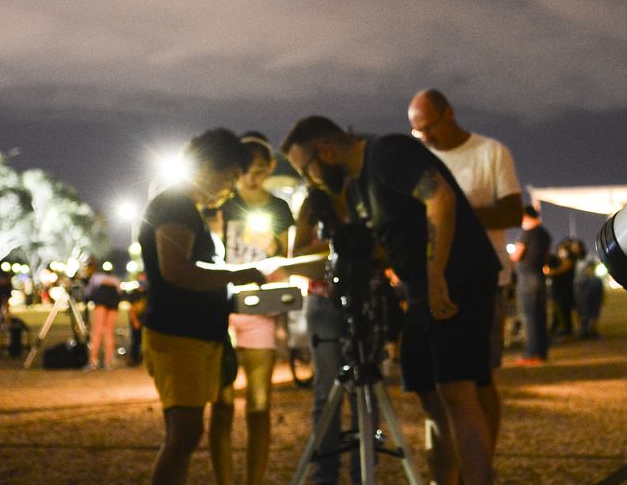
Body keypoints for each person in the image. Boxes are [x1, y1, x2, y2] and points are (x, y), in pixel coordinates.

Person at [284, 116, 500, 485]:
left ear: (326, 150)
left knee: (456, 391)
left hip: (455, 280)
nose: (310, 180)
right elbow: (376, 248)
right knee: (429, 394)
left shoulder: (387, 153)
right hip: (419, 290)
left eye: (306, 170)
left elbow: (439, 198)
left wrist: (435, 275)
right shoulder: (357, 190)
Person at [140, 129, 268, 485]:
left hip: (194, 334)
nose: (230, 188)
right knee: (183, 433)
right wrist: (236, 274)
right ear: (210, 167)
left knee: (186, 433)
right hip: (177, 334)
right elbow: (177, 269)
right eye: (229, 177)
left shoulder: (188, 208)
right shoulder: (174, 206)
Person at [408, 89, 522, 457]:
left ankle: (482, 461)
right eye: (417, 132)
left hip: (484, 281)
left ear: (449, 113)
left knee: (480, 376)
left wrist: (453, 215)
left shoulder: (491, 153)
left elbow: (511, 214)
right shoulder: (421, 160)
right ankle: (450, 465)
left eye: (429, 128)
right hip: (434, 280)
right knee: (439, 382)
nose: (426, 138)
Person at [210, 138, 291, 485]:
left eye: (259, 169)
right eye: (245, 170)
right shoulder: (222, 204)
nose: (252, 177)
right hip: (224, 309)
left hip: (261, 308)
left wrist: (271, 246)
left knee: (259, 407)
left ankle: (254, 480)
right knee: (222, 404)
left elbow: (287, 265)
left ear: (270, 167)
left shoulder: (279, 208)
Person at [292, 186, 361, 485]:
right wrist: (341, 246)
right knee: (327, 391)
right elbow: (297, 255)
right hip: (322, 299)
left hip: (360, 300)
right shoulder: (314, 204)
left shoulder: (362, 196)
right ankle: (325, 475)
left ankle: (363, 472)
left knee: (364, 392)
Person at [510, 204, 551, 362]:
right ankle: (541, 352)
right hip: (539, 276)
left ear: (525, 216)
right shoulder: (544, 234)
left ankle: (531, 354)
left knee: (529, 317)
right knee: (540, 316)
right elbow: (547, 256)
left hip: (527, 278)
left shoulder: (527, 233)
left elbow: (516, 256)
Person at [82, 257, 123, 370]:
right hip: (114, 303)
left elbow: (88, 292)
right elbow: (120, 292)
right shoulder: (116, 279)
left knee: (97, 331)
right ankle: (108, 362)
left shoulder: (96, 277)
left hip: (101, 302)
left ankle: (93, 361)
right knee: (109, 331)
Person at [546, 238, 582, 338]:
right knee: (556, 309)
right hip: (557, 289)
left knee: (564, 310)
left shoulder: (570, 258)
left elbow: (563, 269)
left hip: (565, 289)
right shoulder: (557, 259)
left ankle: (567, 331)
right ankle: (555, 329)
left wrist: (550, 272)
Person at [573, 250, 605, 339]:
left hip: (587, 297)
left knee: (588, 314)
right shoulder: (596, 280)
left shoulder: (588, 280)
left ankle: (586, 331)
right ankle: (590, 331)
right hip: (588, 297)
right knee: (592, 314)